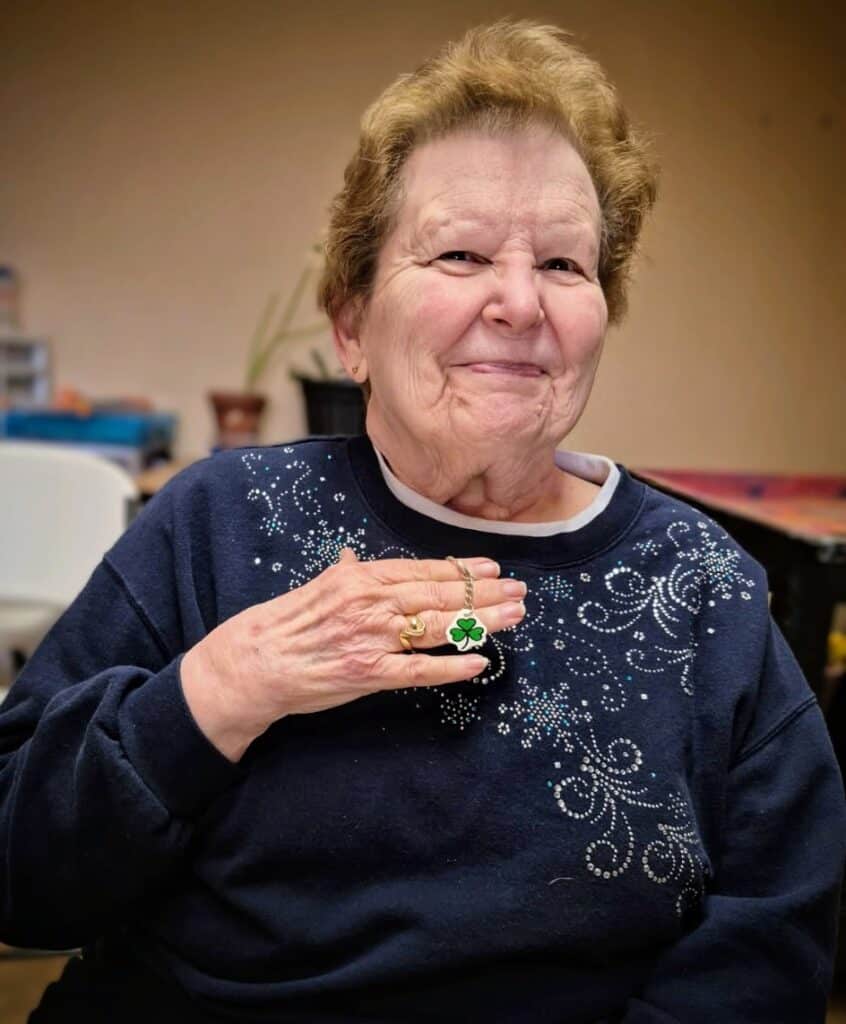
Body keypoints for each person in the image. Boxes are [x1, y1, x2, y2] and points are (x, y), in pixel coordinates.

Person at [2, 20, 844, 1024]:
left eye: (564, 265)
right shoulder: (218, 523)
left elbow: (772, 943)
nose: (519, 302)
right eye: (460, 253)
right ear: (350, 324)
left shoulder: (704, 587)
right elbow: (20, 874)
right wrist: (224, 686)